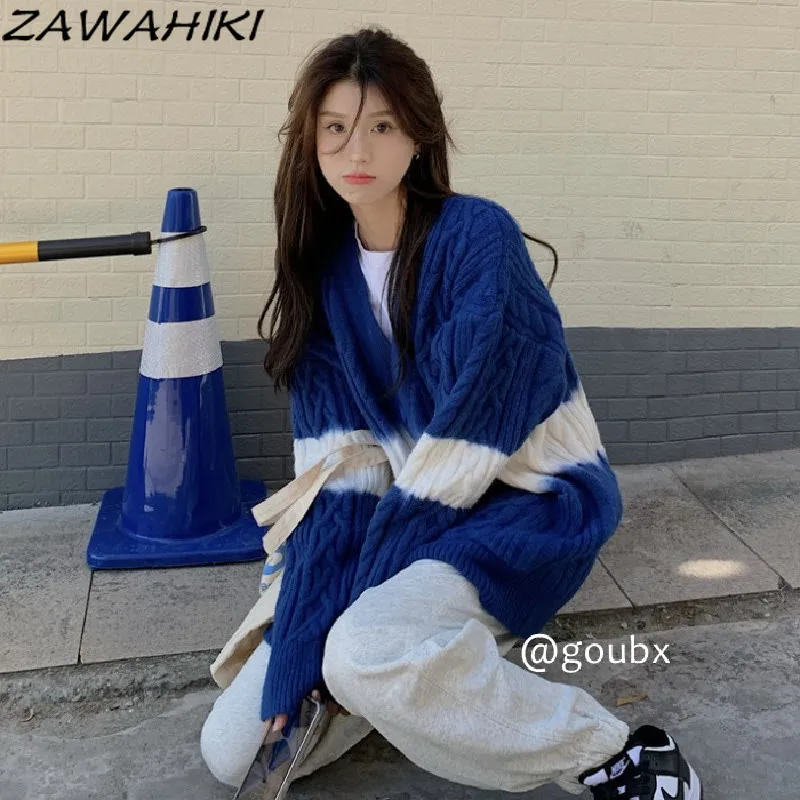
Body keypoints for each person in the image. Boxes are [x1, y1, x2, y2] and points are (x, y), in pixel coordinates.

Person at [200, 25, 703, 800]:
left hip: (525, 508)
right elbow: (342, 473)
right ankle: (405, 672)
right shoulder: (322, 274)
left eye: (381, 126)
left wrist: (361, 597)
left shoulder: (478, 238)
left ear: (418, 136)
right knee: (234, 749)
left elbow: (475, 434)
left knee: (360, 645)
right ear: (310, 142)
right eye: (335, 128)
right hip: (409, 514)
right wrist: (306, 626)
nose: (356, 149)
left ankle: (613, 754)